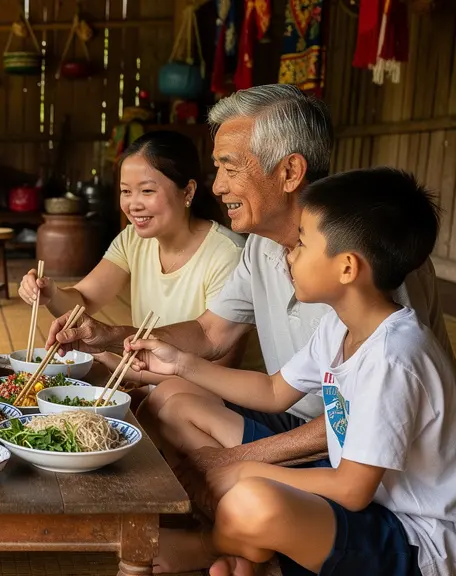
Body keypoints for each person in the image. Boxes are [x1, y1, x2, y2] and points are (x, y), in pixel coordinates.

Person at [46, 85, 451, 488]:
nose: (218, 186)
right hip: (290, 413)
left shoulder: (370, 263)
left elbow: (361, 420)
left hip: (365, 457)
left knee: (225, 477)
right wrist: (112, 337)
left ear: (289, 172)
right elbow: (209, 333)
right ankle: (228, 516)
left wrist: (235, 461)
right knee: (169, 400)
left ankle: (236, 520)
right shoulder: (261, 245)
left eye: (230, 167)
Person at [126, 168, 455, 576]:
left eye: (301, 243)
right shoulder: (342, 325)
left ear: (347, 268)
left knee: (252, 500)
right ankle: (258, 552)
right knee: (237, 481)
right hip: (363, 503)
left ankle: (212, 545)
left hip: (412, 539)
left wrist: (243, 467)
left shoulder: (393, 357)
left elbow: (352, 490)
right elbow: (272, 390)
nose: (289, 254)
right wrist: (181, 363)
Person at [18, 130, 246, 382]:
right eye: (126, 191)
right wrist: (51, 294)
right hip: (148, 378)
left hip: (206, 396)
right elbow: (83, 300)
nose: (133, 204)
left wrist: (120, 365)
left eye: (147, 191)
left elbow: (221, 369)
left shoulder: (227, 254)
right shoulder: (132, 240)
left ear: (188, 192)